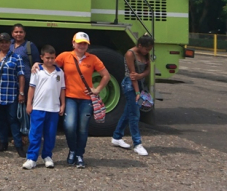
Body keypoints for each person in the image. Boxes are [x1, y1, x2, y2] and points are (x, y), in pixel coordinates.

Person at [54, 31, 110, 168]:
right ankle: (72, 149)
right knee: (69, 126)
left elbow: (106, 76)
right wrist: (37, 65)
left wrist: (97, 90)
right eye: (79, 43)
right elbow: (50, 66)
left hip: (86, 99)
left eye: (84, 44)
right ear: (73, 43)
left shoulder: (93, 59)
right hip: (70, 97)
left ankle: (79, 154)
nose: (82, 46)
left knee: (83, 128)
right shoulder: (65, 56)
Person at [22, 45, 65, 170]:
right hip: (38, 107)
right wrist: (29, 103)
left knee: (50, 134)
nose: (50, 60)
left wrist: (63, 104)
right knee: (35, 134)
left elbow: (62, 90)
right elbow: (32, 88)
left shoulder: (59, 72)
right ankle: (32, 158)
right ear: (42, 57)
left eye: (52, 58)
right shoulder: (37, 70)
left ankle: (47, 156)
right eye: (47, 58)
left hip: (53, 108)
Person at [0, 33, 26, 158]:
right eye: (1, 42)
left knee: (13, 120)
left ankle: (18, 145)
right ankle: (3, 143)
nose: (3, 44)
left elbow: (21, 76)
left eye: (6, 42)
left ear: (10, 43)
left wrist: (21, 92)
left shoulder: (16, 57)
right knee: (1, 120)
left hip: (11, 94)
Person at [112, 35, 154, 156]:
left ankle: (116, 136)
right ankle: (137, 143)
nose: (148, 51)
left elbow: (148, 70)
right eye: (146, 49)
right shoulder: (130, 54)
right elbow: (132, 75)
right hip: (130, 85)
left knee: (128, 112)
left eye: (149, 49)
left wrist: (141, 76)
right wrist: (137, 93)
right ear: (139, 45)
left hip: (139, 83)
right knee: (135, 114)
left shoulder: (146, 54)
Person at [10, 23, 41, 100]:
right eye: (16, 32)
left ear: (24, 34)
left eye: (21, 32)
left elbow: (37, 61)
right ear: (12, 33)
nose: (18, 34)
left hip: (26, 81)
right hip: (11, 81)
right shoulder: (9, 44)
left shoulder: (29, 45)